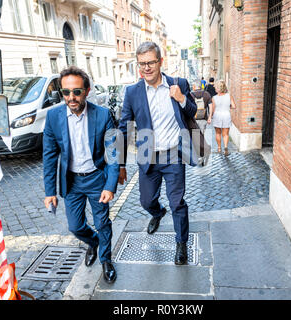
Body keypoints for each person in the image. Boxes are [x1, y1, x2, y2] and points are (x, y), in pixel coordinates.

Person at [118, 41, 198, 265]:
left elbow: (193, 112)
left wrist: (181, 99)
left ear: (160, 62)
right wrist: (120, 164)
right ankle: (157, 213)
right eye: (142, 64)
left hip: (174, 155)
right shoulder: (132, 92)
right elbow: (123, 127)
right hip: (148, 156)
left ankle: (181, 244)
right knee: (146, 201)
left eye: (151, 62)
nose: (146, 68)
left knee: (177, 203)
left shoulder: (178, 83)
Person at [43, 66, 119, 284]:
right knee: (75, 226)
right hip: (72, 181)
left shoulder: (103, 115)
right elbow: (49, 156)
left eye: (76, 91)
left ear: (86, 91)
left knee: (102, 222)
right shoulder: (53, 116)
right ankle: (94, 242)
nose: (71, 97)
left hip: (97, 178)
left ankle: (106, 260)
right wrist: (50, 191)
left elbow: (114, 153)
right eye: (66, 92)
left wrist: (110, 185)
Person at [207, 79, 236, 156]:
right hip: (226, 114)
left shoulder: (214, 98)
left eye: (216, 87)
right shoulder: (229, 96)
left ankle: (219, 148)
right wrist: (227, 106)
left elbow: (213, 109)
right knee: (226, 134)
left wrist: (210, 117)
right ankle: (226, 147)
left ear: (219, 88)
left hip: (217, 115)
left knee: (218, 133)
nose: (215, 89)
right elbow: (234, 106)